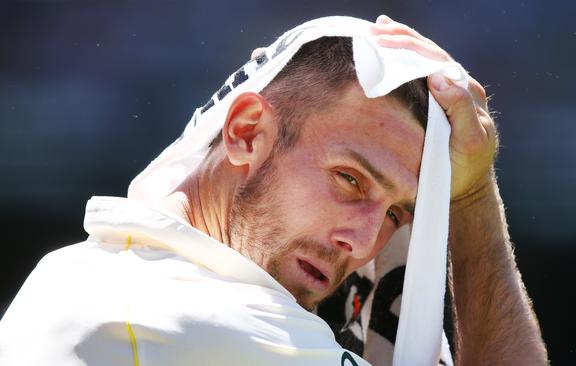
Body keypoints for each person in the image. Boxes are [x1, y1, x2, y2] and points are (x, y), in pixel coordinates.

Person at [0, 15, 547, 365]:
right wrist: (472, 200)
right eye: (350, 180)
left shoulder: (78, 276)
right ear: (245, 133)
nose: (361, 243)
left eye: (398, 217)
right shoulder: (197, 326)